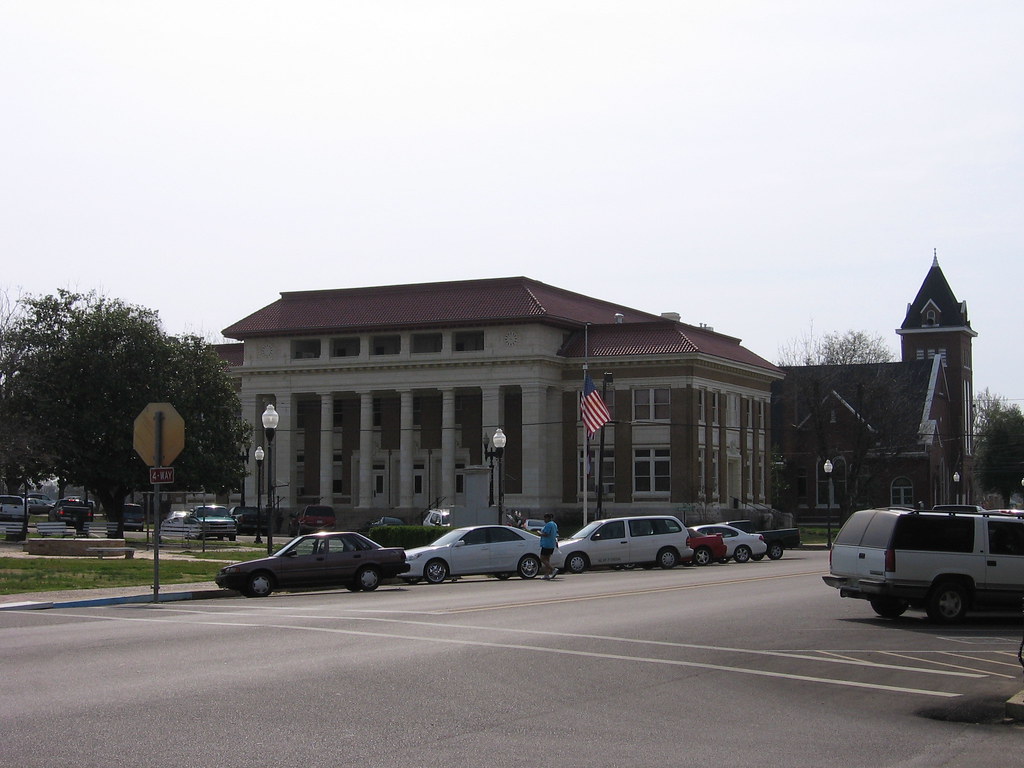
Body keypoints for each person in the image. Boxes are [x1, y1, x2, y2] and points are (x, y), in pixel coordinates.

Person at [539, 513, 559, 580]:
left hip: (546, 544)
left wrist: (540, 533)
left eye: (545, 518)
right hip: (552, 544)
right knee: (547, 559)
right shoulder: (554, 524)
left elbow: (546, 534)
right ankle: (546, 574)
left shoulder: (549, 524)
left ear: (548, 518)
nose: (544, 520)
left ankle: (553, 569)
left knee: (542, 558)